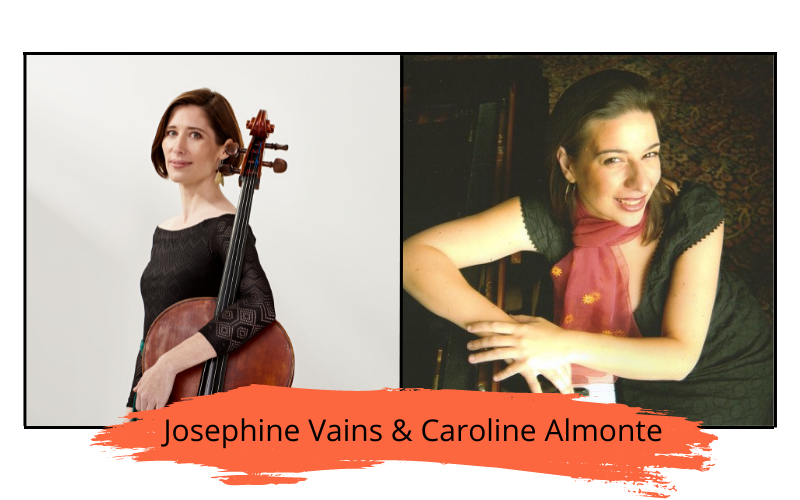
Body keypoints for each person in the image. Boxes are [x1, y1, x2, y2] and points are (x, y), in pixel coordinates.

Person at [402, 70, 773, 425]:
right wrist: (514, 335)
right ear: (569, 165)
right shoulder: (551, 215)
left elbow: (679, 358)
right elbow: (414, 257)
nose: (641, 182)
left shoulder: (693, 212)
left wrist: (560, 344)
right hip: (625, 383)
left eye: (650, 154)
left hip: (719, 378)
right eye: (614, 159)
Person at [124, 88, 276, 418]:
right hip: (153, 404)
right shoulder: (164, 231)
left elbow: (259, 305)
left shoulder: (226, 227)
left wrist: (169, 364)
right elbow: (153, 337)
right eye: (171, 132)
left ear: (225, 149)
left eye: (195, 135)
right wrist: (133, 406)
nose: (178, 146)